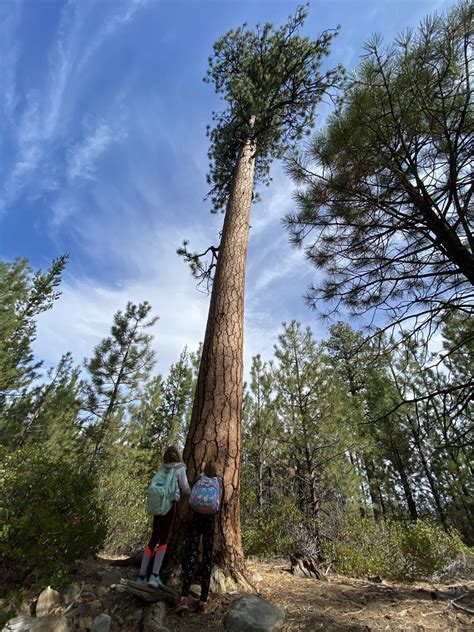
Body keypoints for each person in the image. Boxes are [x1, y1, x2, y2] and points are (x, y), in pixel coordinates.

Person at [135, 445, 190, 588]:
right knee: (164, 539)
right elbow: (185, 487)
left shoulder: (162, 467)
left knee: (154, 537)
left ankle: (141, 576)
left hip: (158, 506)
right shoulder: (180, 468)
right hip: (170, 506)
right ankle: (154, 575)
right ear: (177, 455)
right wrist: (190, 491)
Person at [177, 459, 223, 613]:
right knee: (207, 558)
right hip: (210, 521)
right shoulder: (219, 481)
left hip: (196, 518)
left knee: (191, 553)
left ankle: (183, 597)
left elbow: (199, 480)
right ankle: (203, 600)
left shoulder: (199, 479)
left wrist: (202, 469)